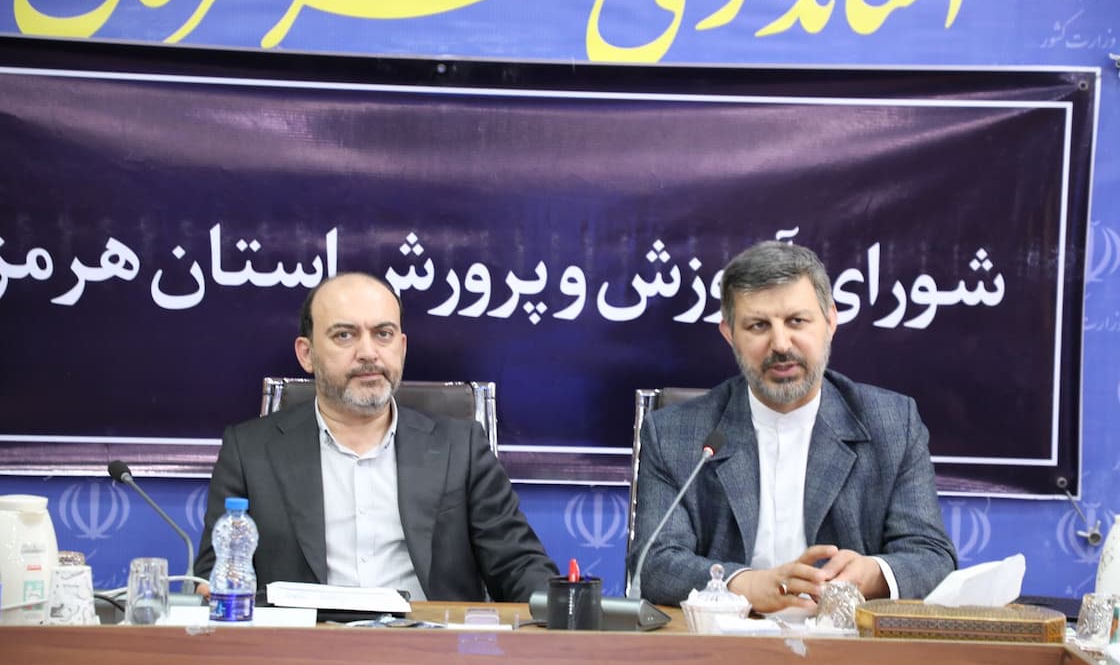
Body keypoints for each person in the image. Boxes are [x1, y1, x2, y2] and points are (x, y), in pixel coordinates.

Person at [629, 241, 957, 612]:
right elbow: (654, 564)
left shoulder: (893, 424)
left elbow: (932, 556)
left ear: (830, 321)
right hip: (726, 638)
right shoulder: (675, 434)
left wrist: (874, 574)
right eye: (758, 326)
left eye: (796, 321)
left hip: (846, 637)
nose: (781, 344)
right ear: (729, 333)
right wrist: (744, 585)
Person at [195, 272, 558, 602]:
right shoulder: (250, 451)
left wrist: (557, 607)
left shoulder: (460, 448)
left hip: (430, 645)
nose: (368, 353)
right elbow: (217, 573)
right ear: (307, 354)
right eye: (344, 335)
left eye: (383, 334)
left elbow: (518, 564)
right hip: (303, 646)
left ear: (402, 346)